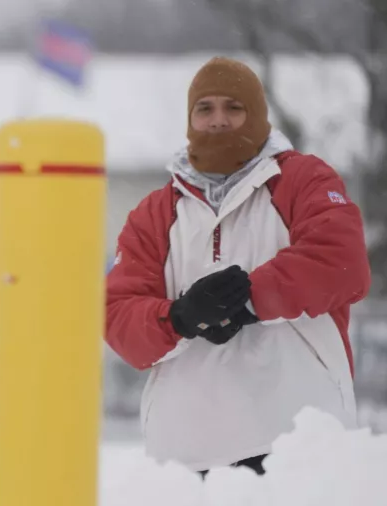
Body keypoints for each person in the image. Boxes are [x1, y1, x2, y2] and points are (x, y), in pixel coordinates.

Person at [105, 57, 371, 475]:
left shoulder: (303, 179)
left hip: (295, 439)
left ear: (258, 115)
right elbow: (118, 315)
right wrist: (180, 316)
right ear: (190, 119)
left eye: (234, 107)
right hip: (184, 455)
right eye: (205, 108)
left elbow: (340, 261)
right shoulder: (155, 213)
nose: (218, 120)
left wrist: (247, 300)